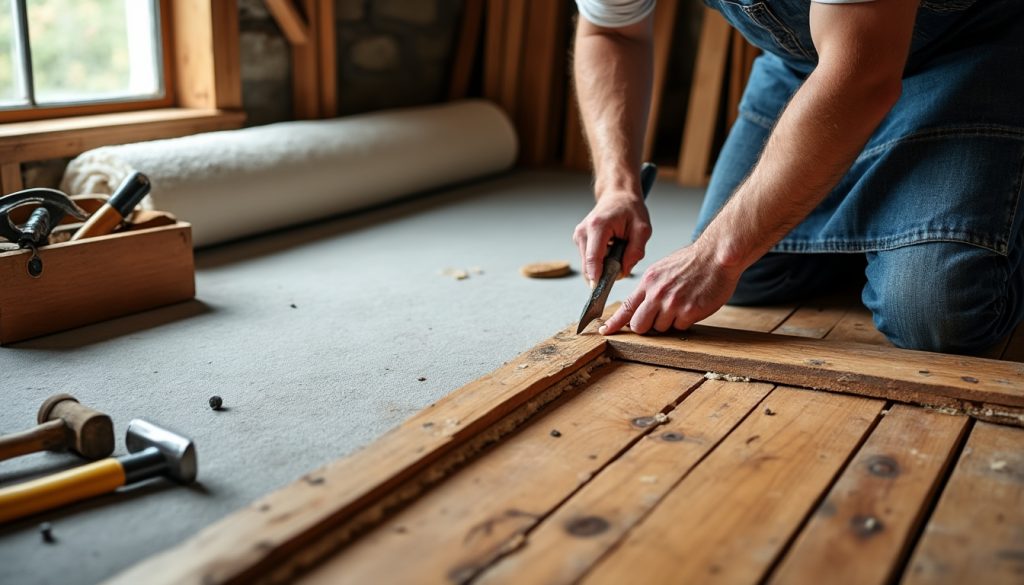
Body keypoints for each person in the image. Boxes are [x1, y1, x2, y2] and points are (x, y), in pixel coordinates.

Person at [571, 0, 1024, 355]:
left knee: (936, 311)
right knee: (749, 279)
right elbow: (612, 32)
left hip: (970, 52)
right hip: (810, 66)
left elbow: (864, 79)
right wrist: (617, 186)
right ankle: (902, 228)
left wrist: (715, 255)